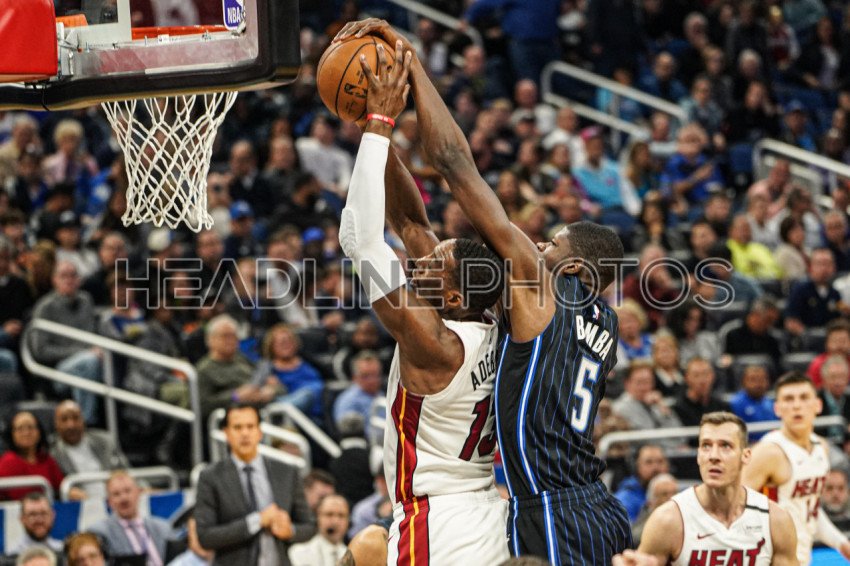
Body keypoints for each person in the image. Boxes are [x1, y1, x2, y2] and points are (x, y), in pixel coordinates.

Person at [335, 19, 631, 562]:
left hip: (509, 513)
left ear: (571, 269)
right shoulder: (562, 324)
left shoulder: (456, 332)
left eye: (550, 246)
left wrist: (390, 104)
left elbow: (432, 183)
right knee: (367, 547)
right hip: (535, 509)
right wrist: (373, 128)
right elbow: (413, 226)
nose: (535, 246)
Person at [330, 36, 510, 565]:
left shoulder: (434, 344)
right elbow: (409, 221)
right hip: (482, 507)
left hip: (438, 522)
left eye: (434, 265)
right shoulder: (482, 318)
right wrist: (374, 126)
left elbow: (360, 240)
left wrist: (379, 125)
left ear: (451, 295)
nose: (421, 261)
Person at [613, 412, 798, 566]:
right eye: (706, 446)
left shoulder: (775, 520)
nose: (713, 456)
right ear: (698, 455)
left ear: (746, 456)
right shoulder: (669, 519)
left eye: (725, 446)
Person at [742, 372, 850, 564]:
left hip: (801, 556)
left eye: (804, 397)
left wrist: (841, 543)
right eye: (789, 399)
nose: (797, 405)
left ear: (818, 405)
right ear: (777, 408)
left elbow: (809, 509)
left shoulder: (821, 447)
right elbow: (731, 509)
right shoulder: (768, 452)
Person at [194, 404, 315, 566]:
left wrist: (290, 530)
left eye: (250, 426)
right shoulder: (211, 477)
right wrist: (256, 521)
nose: (245, 433)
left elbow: (309, 526)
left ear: (259, 432)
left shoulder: (286, 472)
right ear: (226, 433)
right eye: (238, 427)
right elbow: (205, 537)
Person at [50, 400, 129, 498]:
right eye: (64, 419)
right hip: (81, 504)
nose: (71, 425)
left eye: (75, 418)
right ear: (56, 424)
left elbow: (126, 470)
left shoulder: (105, 441)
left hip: (115, 499)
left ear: (83, 420)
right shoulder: (53, 454)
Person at [89, 471, 173, 564]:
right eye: (116, 494)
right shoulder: (100, 532)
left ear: (138, 493)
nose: (124, 498)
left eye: (128, 491)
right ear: (109, 502)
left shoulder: (162, 528)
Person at [0, 411, 65, 501]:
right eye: (20, 429)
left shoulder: (46, 458)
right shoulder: (8, 461)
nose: (26, 433)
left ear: (39, 432)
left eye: (30, 427)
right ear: (12, 434)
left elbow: (62, 486)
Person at [614, 445, 670, 522]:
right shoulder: (623, 500)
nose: (656, 467)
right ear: (637, 466)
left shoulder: (677, 492)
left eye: (660, 461)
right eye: (649, 462)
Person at [287, 494, 349, 565]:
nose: (335, 521)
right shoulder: (298, 553)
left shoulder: (354, 556)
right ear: (318, 517)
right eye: (329, 514)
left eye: (341, 516)